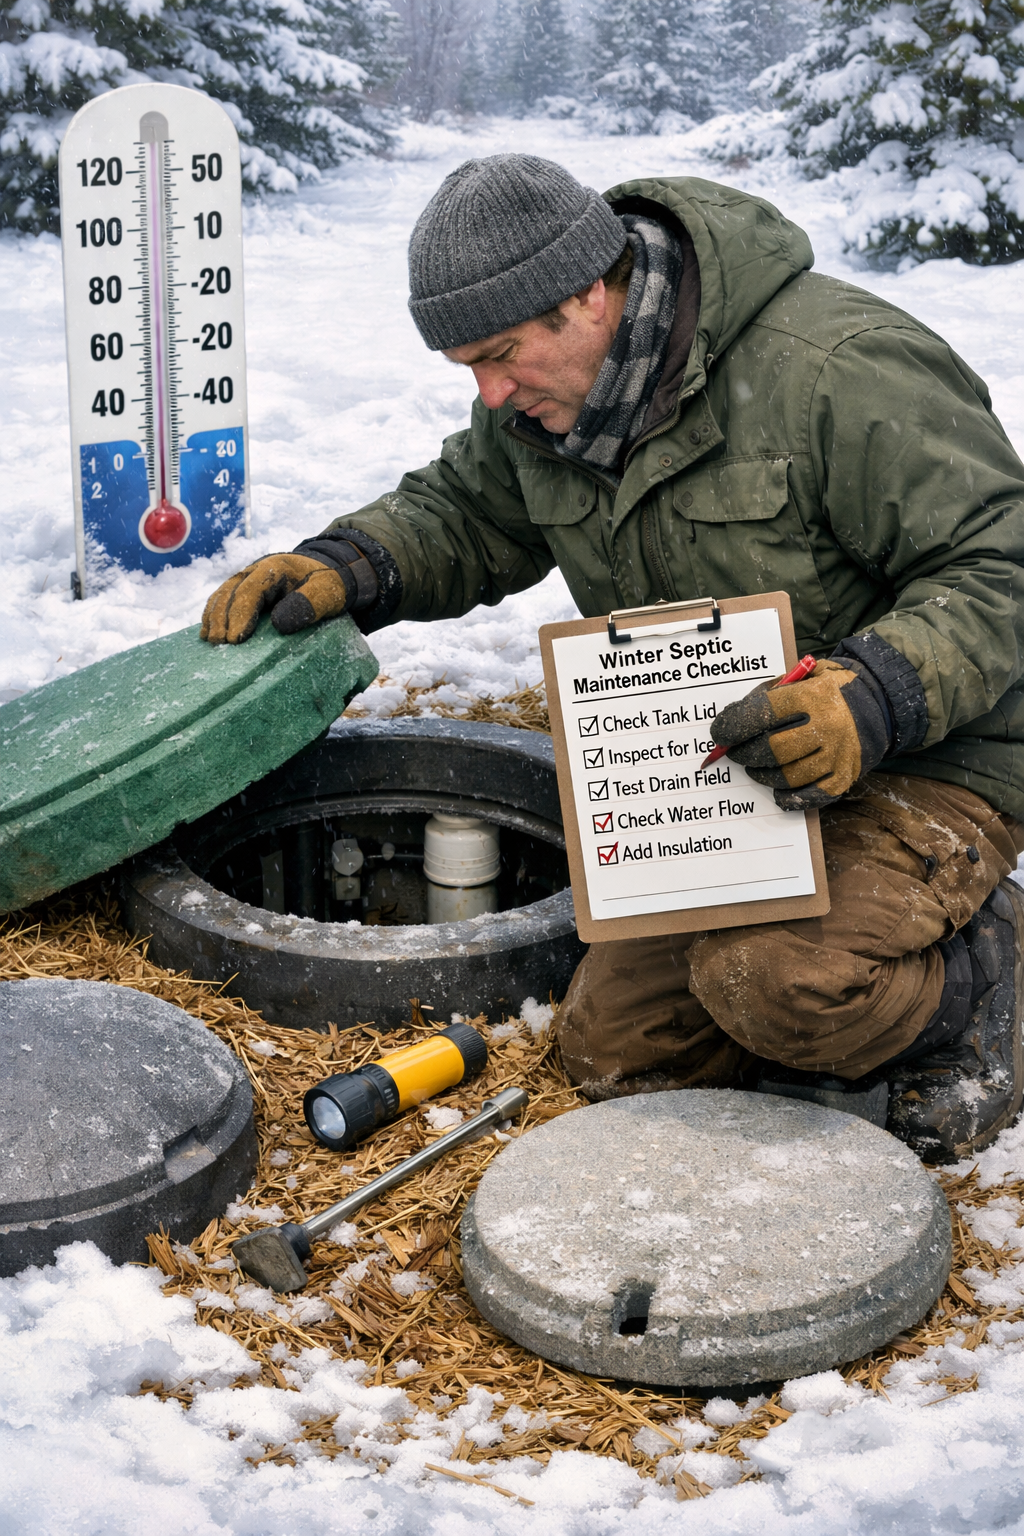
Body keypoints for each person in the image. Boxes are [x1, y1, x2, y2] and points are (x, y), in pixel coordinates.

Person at [201, 154, 1024, 1163]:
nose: (491, 392)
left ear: (591, 293)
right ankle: (826, 992)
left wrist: (876, 695)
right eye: (469, 368)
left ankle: (985, 979)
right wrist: (353, 563)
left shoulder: (837, 367)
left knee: (773, 982)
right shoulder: (541, 405)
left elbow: (1000, 561)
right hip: (717, 765)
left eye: (500, 354)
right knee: (614, 1058)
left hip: (919, 754)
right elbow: (465, 511)